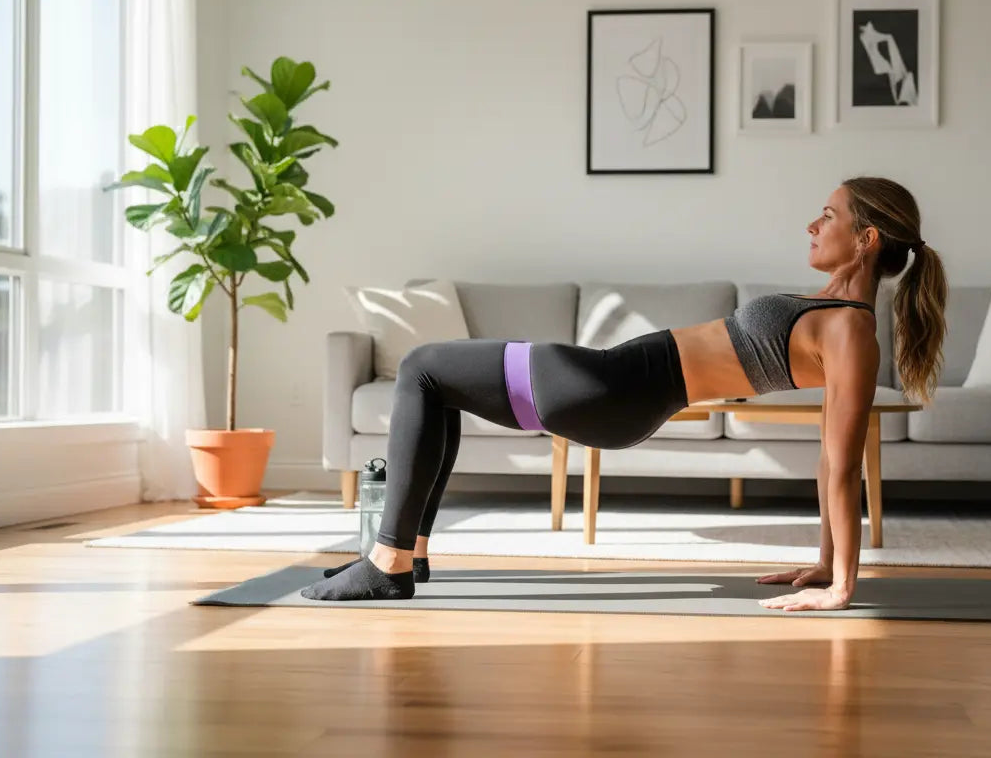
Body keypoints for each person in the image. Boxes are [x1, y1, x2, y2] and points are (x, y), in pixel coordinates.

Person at [303, 176, 948, 610]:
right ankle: (406, 557)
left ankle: (386, 560)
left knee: (420, 367)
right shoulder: (834, 310)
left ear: (866, 239)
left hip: (611, 386)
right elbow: (826, 464)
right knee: (435, 384)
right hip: (614, 384)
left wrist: (841, 585)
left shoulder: (852, 332)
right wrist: (822, 563)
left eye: (829, 216)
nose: (812, 223)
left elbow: (841, 463)